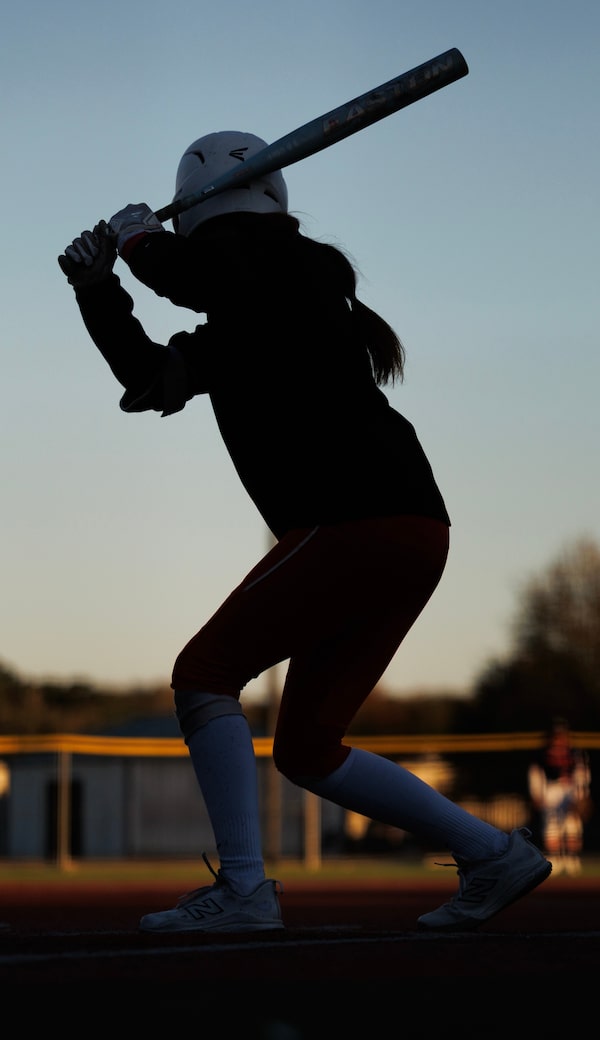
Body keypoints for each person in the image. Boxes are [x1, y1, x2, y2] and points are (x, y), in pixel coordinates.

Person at [58, 130, 551, 933]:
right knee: (309, 748)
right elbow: (151, 379)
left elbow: (202, 274)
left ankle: (247, 890)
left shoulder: (287, 266)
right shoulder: (261, 306)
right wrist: (96, 287)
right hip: (406, 527)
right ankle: (493, 853)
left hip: (355, 516)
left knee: (204, 672)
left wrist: (138, 239)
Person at [528, 717, 592, 876]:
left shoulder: (576, 752)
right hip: (551, 789)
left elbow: (582, 773)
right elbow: (536, 774)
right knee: (552, 824)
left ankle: (571, 858)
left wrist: (582, 794)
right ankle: (555, 858)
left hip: (570, 788)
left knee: (572, 823)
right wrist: (537, 793)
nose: (559, 738)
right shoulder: (542, 754)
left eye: (562, 734)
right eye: (557, 735)